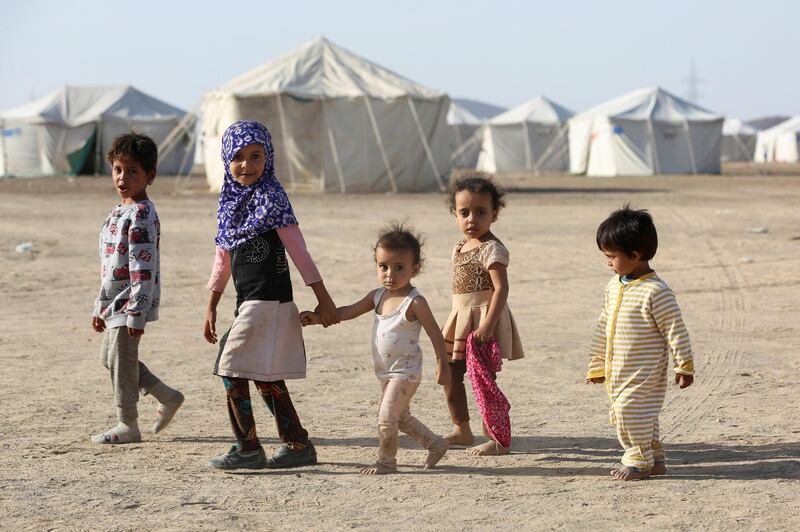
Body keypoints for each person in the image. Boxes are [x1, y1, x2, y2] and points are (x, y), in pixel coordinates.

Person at [203, 120, 338, 470]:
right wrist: (211, 307)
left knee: (230, 367)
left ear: (269, 158)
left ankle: (247, 448)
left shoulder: (273, 199)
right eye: (238, 157)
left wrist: (323, 299)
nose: (246, 164)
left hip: (269, 300)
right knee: (264, 374)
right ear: (226, 161)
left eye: (256, 156)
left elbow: (300, 252)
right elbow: (222, 261)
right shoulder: (230, 207)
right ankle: (298, 445)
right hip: (249, 303)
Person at [300, 223, 450, 475]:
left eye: (399, 268)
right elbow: (347, 312)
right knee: (400, 418)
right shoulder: (377, 296)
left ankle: (386, 462)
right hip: (386, 372)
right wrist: (318, 318)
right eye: (384, 267)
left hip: (406, 372)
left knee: (386, 417)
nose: (390, 274)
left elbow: (435, 333)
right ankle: (436, 444)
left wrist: (442, 364)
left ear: (415, 269)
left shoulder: (415, 302)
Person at [586, 205, 695, 481]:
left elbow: (675, 329)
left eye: (612, 256)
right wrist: (597, 364)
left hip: (644, 373)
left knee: (628, 413)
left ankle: (637, 461)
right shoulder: (614, 286)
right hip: (617, 370)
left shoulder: (657, 292)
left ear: (635, 255)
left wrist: (684, 365)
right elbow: (603, 326)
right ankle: (655, 458)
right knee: (643, 415)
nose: (608, 262)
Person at [91, 133, 184, 444]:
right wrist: (98, 306)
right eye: (118, 169)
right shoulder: (119, 210)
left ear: (150, 176)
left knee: (120, 359)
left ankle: (127, 423)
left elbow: (143, 269)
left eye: (132, 171)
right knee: (112, 358)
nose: (122, 177)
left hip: (130, 303)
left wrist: (137, 313)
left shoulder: (141, 214)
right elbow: (108, 265)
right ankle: (166, 395)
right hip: (112, 302)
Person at [441, 174, 524, 456]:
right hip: (460, 319)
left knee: (484, 380)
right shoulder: (459, 248)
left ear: (494, 214)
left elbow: (501, 288)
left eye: (480, 212)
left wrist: (487, 324)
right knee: (450, 374)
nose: (471, 219)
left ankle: (496, 438)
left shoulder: (492, 248)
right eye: (464, 213)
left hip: (483, 323)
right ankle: (462, 428)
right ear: (455, 214)